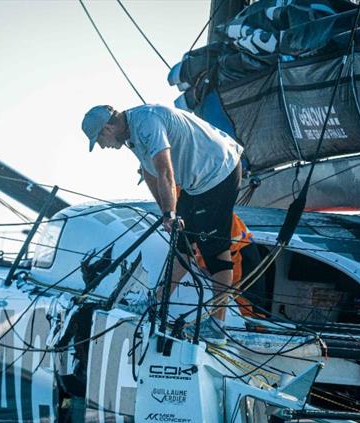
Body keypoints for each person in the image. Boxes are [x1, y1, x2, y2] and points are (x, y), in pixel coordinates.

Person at [82, 103, 243, 342]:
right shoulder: (131, 134)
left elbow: (165, 171)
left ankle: (218, 327)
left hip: (219, 172)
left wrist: (170, 213)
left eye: (100, 140)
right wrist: (167, 213)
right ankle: (156, 303)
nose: (104, 147)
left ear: (107, 128)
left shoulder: (147, 123)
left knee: (215, 254)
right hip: (197, 184)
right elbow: (150, 174)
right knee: (181, 244)